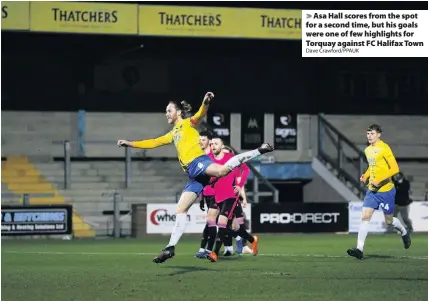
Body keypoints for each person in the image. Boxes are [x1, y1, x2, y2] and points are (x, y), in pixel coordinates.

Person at [117, 92, 274, 263]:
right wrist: (130, 144)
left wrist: (205, 102)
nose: (166, 114)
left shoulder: (187, 123)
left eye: (169, 110)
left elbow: (200, 114)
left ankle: (260, 150)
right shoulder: (173, 133)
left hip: (198, 162)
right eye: (166, 111)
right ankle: (170, 248)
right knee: (180, 210)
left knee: (222, 171)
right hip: (194, 175)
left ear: (178, 112)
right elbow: (153, 142)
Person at [347, 124, 411, 260]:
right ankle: (359, 249)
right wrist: (365, 176)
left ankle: (404, 232)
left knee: (389, 221)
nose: (369, 136)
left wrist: (380, 180)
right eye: (368, 133)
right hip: (372, 190)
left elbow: (394, 168)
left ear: (379, 134)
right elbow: (372, 167)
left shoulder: (384, 148)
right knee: (365, 217)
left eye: (372, 133)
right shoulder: (368, 150)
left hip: (386, 190)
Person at [204, 137, 259, 263]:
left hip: (230, 196)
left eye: (215, 144)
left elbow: (245, 169)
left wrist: (239, 185)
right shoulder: (208, 159)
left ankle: (214, 253)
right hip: (216, 196)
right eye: (211, 144)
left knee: (222, 223)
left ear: (222, 145)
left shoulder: (230, 157)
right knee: (231, 226)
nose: (212, 146)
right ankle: (251, 240)